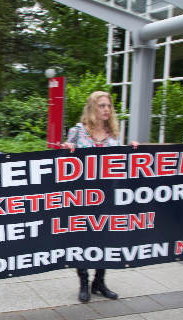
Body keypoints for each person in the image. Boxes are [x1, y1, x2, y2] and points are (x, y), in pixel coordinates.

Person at [62, 91, 138, 303]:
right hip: (82, 197)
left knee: (105, 239)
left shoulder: (113, 133)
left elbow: (121, 162)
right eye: (102, 105)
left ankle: (100, 281)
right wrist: (66, 149)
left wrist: (134, 151)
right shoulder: (78, 132)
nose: (106, 109)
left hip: (107, 196)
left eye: (109, 106)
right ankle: (84, 281)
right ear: (92, 108)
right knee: (83, 239)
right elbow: (65, 163)